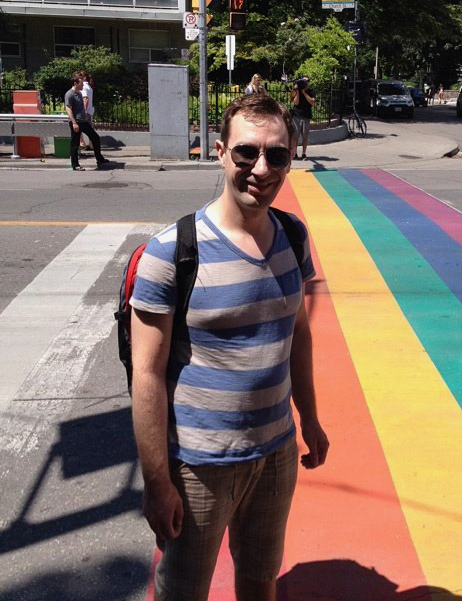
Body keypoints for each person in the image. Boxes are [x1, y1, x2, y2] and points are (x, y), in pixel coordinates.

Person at [130, 93, 329, 601]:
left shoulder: (294, 236)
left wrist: (310, 420)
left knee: (261, 578)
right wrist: (157, 481)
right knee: (185, 591)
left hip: (276, 452)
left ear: (290, 159)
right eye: (246, 153)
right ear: (219, 152)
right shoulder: (172, 253)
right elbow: (147, 375)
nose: (261, 169)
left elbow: (298, 335)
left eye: (277, 155)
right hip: (198, 464)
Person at [64, 76, 109, 171]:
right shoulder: (69, 94)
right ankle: (75, 164)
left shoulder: (79, 93)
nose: (82, 85)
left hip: (83, 121)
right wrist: (74, 123)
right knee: (75, 143)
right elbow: (68, 109)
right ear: (75, 83)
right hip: (76, 122)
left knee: (95, 137)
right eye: (81, 83)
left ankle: (99, 159)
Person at [290, 76, 315, 160]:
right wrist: (297, 91)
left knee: (305, 136)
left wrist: (304, 92)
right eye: (304, 81)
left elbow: (312, 102)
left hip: (306, 116)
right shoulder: (296, 91)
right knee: (295, 135)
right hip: (296, 115)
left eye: (307, 81)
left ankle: (304, 153)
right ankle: (295, 153)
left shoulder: (311, 91)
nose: (306, 82)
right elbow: (296, 103)